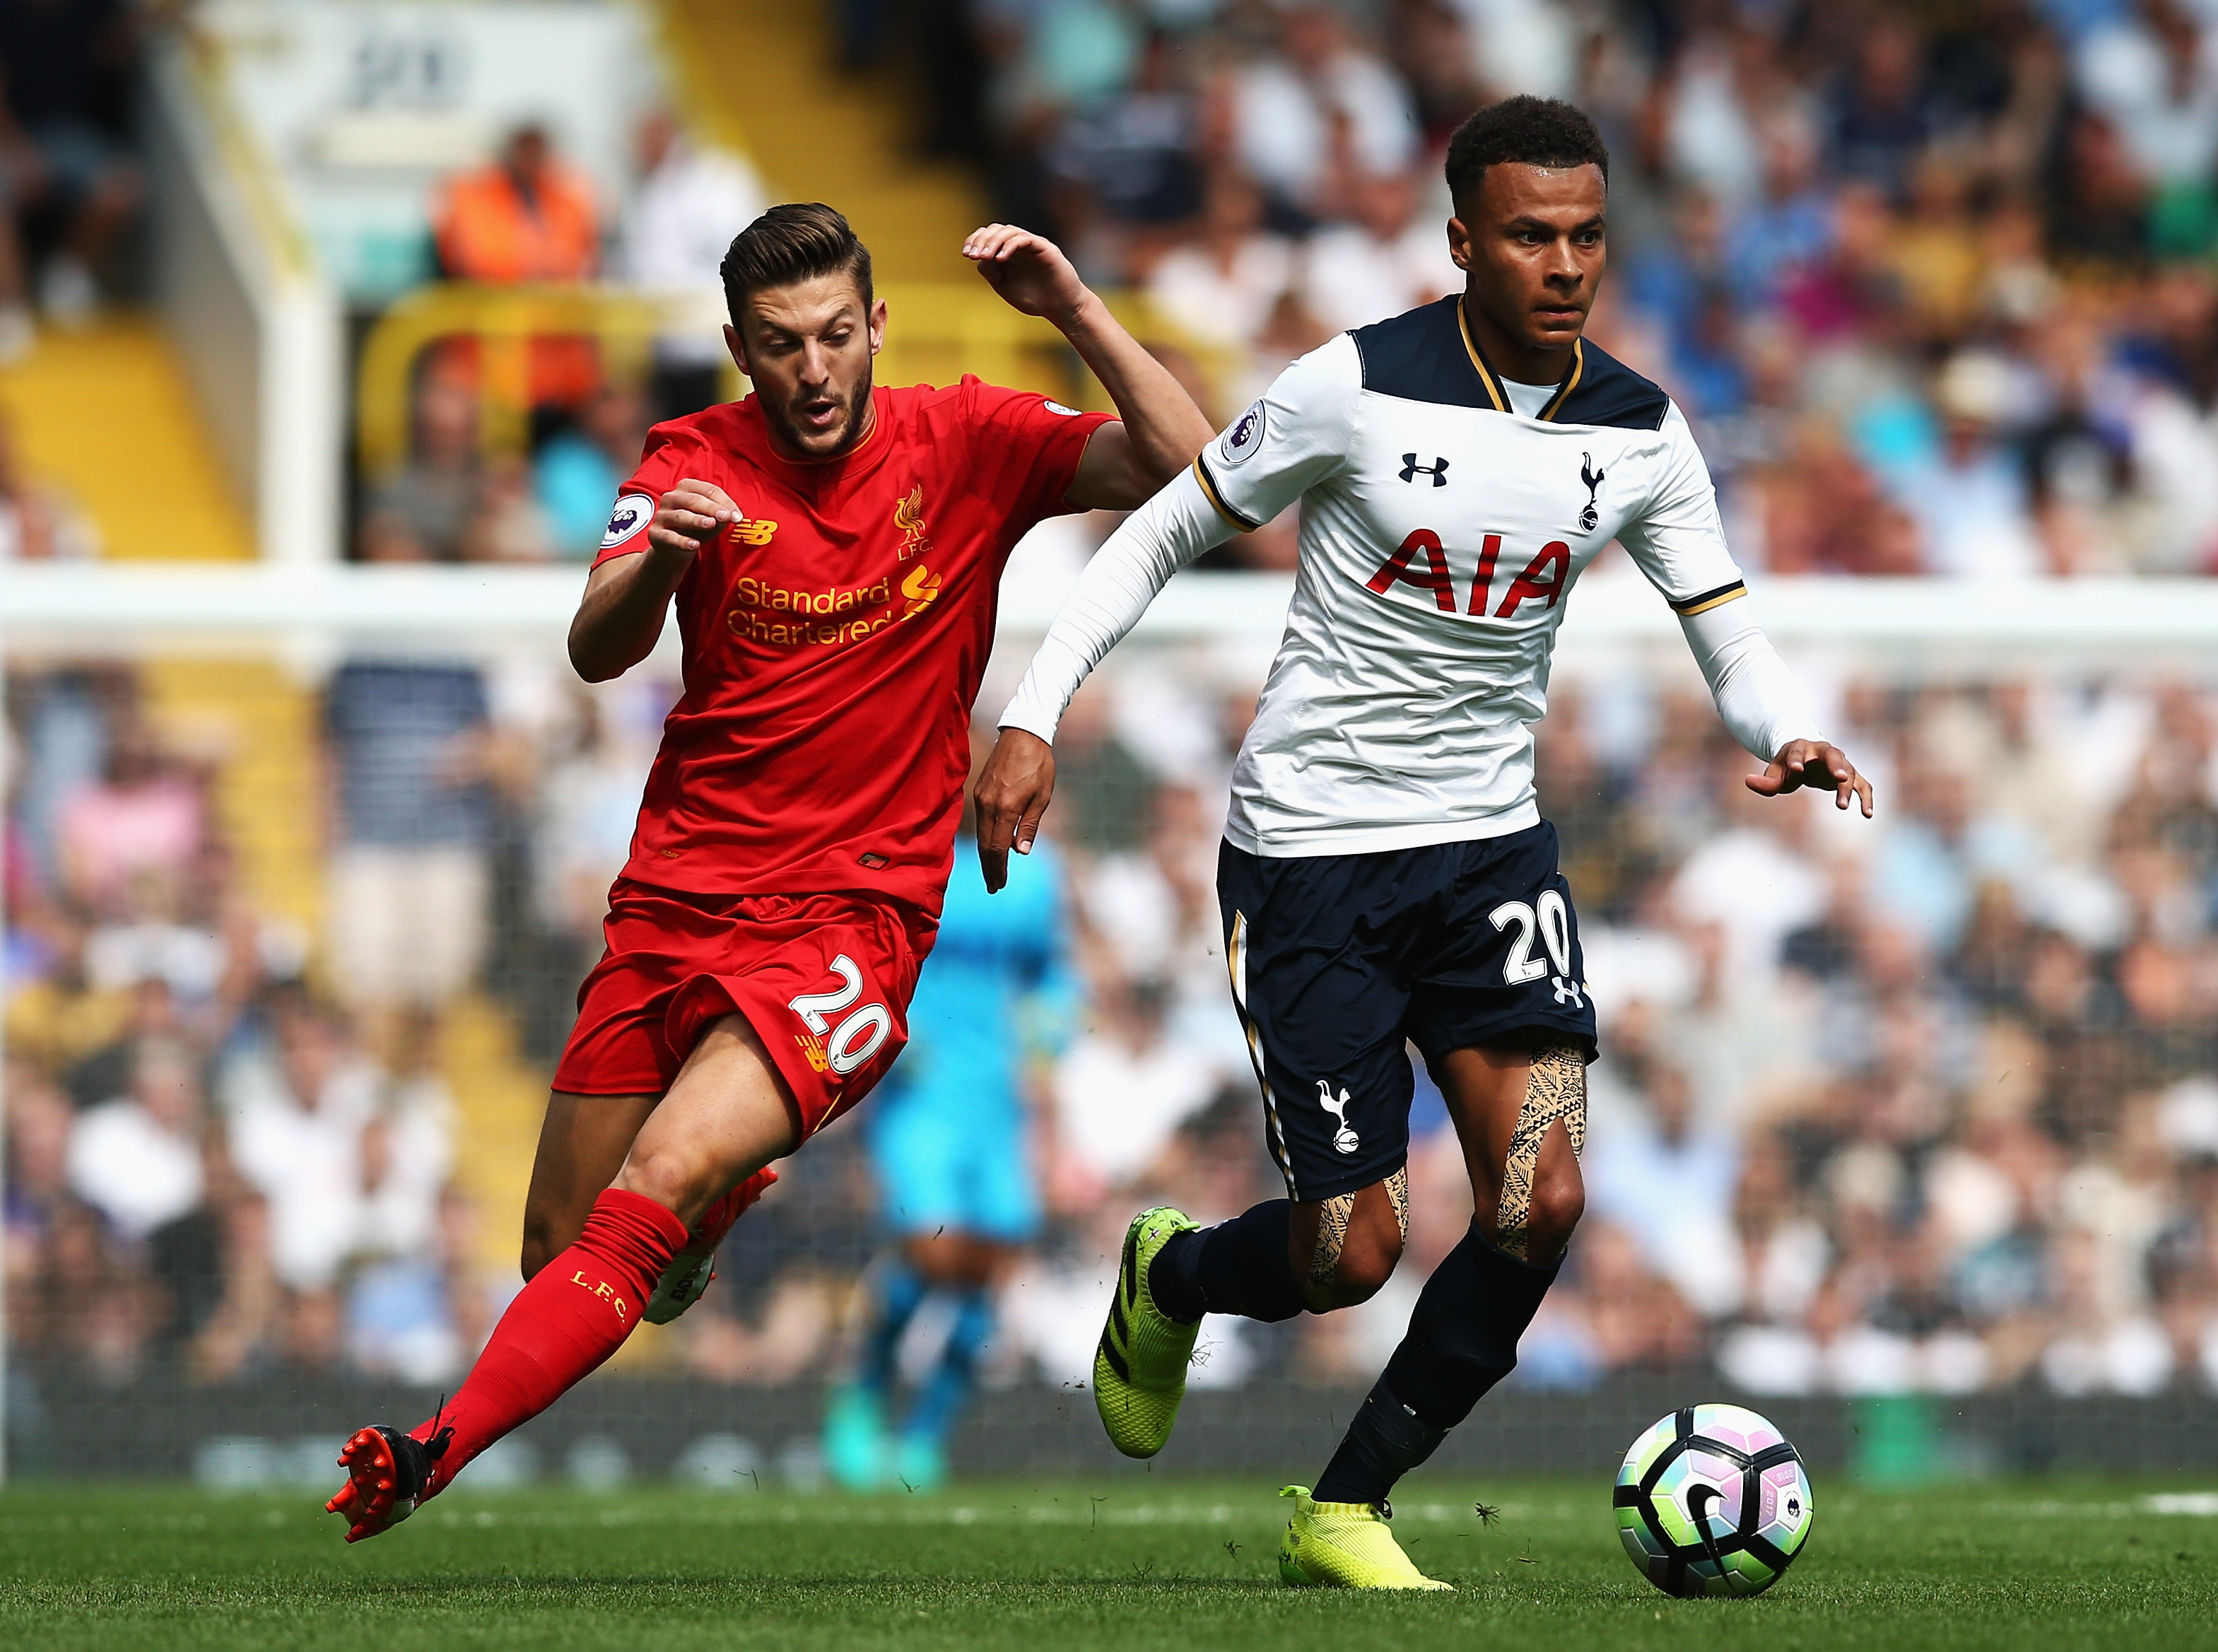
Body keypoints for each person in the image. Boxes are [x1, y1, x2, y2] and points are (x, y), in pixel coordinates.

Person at [974, 96, 1874, 1591]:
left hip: (1488, 856)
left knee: (1546, 1196)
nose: (1565, 262)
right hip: (1313, 858)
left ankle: (1348, 1502)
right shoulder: (1356, 387)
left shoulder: (1641, 429)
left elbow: (1725, 631)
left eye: (1587, 235)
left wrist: (1775, 728)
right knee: (1351, 1253)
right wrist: (1033, 712)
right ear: (1463, 242)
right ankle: (1175, 1270)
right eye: (1532, 235)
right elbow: (1157, 532)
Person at [325, 202, 1212, 1540]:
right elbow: (594, 647)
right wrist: (659, 562)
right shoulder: (687, 461)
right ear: (741, 348)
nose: (815, 369)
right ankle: (697, 1225)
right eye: (783, 343)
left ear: (875, 328)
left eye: (838, 336)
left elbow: (1193, 462)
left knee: (653, 1184)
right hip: (675, 902)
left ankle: (437, 1447)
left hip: (851, 919)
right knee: (558, 1253)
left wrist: (1076, 309)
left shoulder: (965, 440)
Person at [823, 751, 1074, 1492]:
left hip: (997, 1104)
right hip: (918, 1096)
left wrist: (1050, 1037)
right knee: (931, 1254)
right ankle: (864, 1388)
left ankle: (925, 1434)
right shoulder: (898, 862)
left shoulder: (1034, 875)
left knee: (991, 1276)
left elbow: (1053, 973)